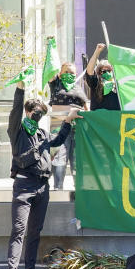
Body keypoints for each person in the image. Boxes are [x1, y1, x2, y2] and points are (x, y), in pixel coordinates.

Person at [3, 82, 81, 269]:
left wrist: (67, 121)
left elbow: (57, 140)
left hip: (42, 187)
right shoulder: (17, 131)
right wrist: (20, 90)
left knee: (35, 230)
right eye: (36, 112)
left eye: (42, 113)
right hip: (23, 185)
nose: (39, 115)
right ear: (28, 111)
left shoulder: (43, 134)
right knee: (19, 229)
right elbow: (15, 111)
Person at [48, 61, 88, 190]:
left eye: (72, 73)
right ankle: (58, 188)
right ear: (60, 74)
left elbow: (86, 106)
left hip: (77, 128)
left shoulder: (78, 88)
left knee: (76, 160)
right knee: (59, 159)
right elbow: (49, 71)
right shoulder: (55, 85)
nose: (69, 75)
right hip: (59, 127)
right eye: (66, 72)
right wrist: (51, 45)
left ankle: (79, 190)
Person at [86, 42, 121, 110]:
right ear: (99, 72)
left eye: (109, 71)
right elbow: (90, 71)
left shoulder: (119, 83)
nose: (107, 73)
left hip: (115, 116)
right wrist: (97, 52)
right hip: (98, 117)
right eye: (103, 71)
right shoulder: (96, 82)